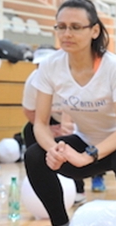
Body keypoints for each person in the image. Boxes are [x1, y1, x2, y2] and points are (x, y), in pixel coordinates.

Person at [23, 0, 116, 226]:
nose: (66, 34)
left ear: (94, 31)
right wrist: (55, 150)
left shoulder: (113, 66)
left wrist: (88, 156)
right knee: (35, 155)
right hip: (86, 141)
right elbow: (39, 123)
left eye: (75, 27)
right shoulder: (49, 66)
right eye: (61, 27)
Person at [21, 67, 87, 204]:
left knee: (74, 141)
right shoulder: (34, 81)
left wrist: (66, 127)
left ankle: (80, 187)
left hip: (80, 116)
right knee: (30, 132)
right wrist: (48, 131)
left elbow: (75, 108)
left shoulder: (72, 76)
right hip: (51, 118)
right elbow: (29, 111)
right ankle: (40, 179)